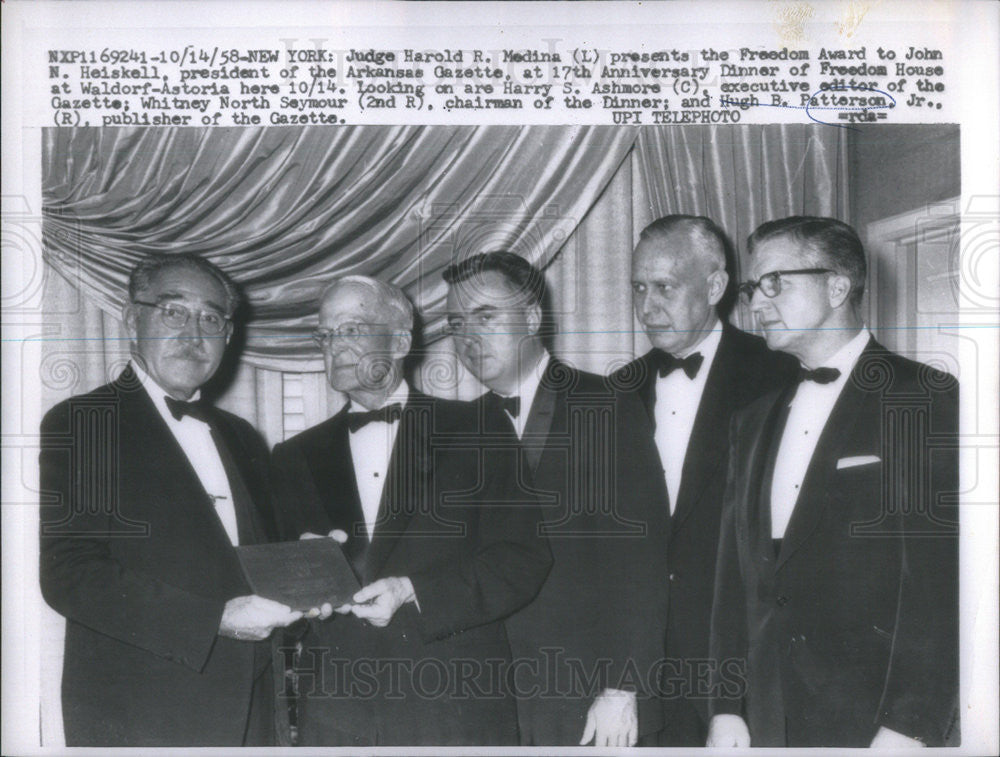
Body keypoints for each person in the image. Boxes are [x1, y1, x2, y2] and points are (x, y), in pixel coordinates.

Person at [707, 217, 959, 748]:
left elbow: (939, 584)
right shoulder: (749, 420)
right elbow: (734, 576)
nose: (756, 303)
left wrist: (909, 725)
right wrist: (727, 706)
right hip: (765, 718)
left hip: (872, 721)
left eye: (776, 282)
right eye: (754, 287)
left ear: (838, 287)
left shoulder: (921, 397)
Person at [269, 275, 552, 746]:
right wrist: (300, 575)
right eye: (326, 334)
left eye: (353, 330)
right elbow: (281, 596)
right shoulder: (293, 455)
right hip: (338, 716)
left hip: (454, 709)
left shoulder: (478, 431)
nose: (335, 346)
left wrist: (413, 591)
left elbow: (521, 560)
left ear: (400, 341)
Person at [39, 254, 302, 746]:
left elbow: (259, 559)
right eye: (174, 312)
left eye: (211, 318)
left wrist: (307, 566)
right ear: (131, 320)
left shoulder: (243, 436)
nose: (194, 333)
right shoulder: (82, 422)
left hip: (256, 712)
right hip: (144, 715)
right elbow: (69, 574)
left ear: (228, 334)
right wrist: (214, 620)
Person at [443, 252, 671, 747]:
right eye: (456, 323)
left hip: (590, 700)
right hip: (487, 701)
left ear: (531, 317)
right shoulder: (459, 428)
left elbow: (642, 561)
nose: (467, 337)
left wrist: (621, 687)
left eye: (485, 317)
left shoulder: (607, 405)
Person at [615, 216, 796, 746]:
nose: (647, 306)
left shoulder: (781, 373)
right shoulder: (616, 391)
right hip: (642, 674)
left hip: (744, 674)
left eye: (665, 287)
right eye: (639, 288)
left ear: (715, 287)